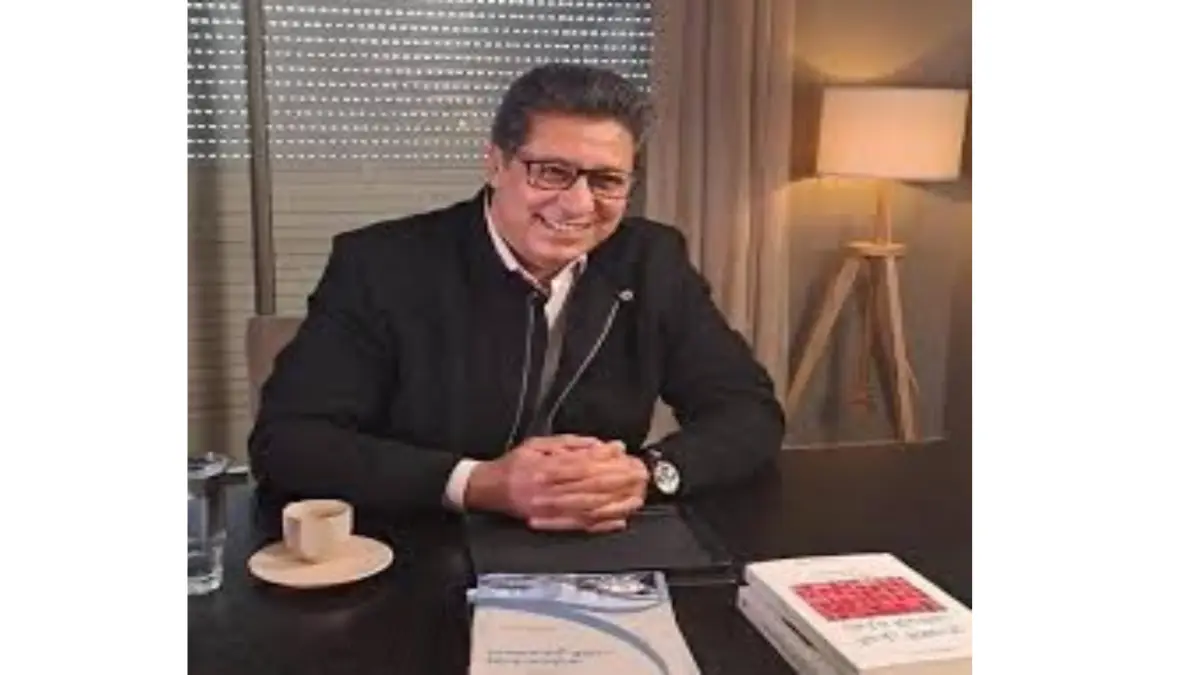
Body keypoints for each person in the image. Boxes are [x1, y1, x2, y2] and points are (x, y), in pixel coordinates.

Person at [248, 62, 784, 534]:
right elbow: (289, 442)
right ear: (495, 163)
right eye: (551, 172)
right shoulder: (381, 265)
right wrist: (480, 483)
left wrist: (647, 473)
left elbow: (748, 410)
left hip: (599, 541)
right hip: (424, 545)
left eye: (606, 180)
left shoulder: (651, 259)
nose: (578, 204)